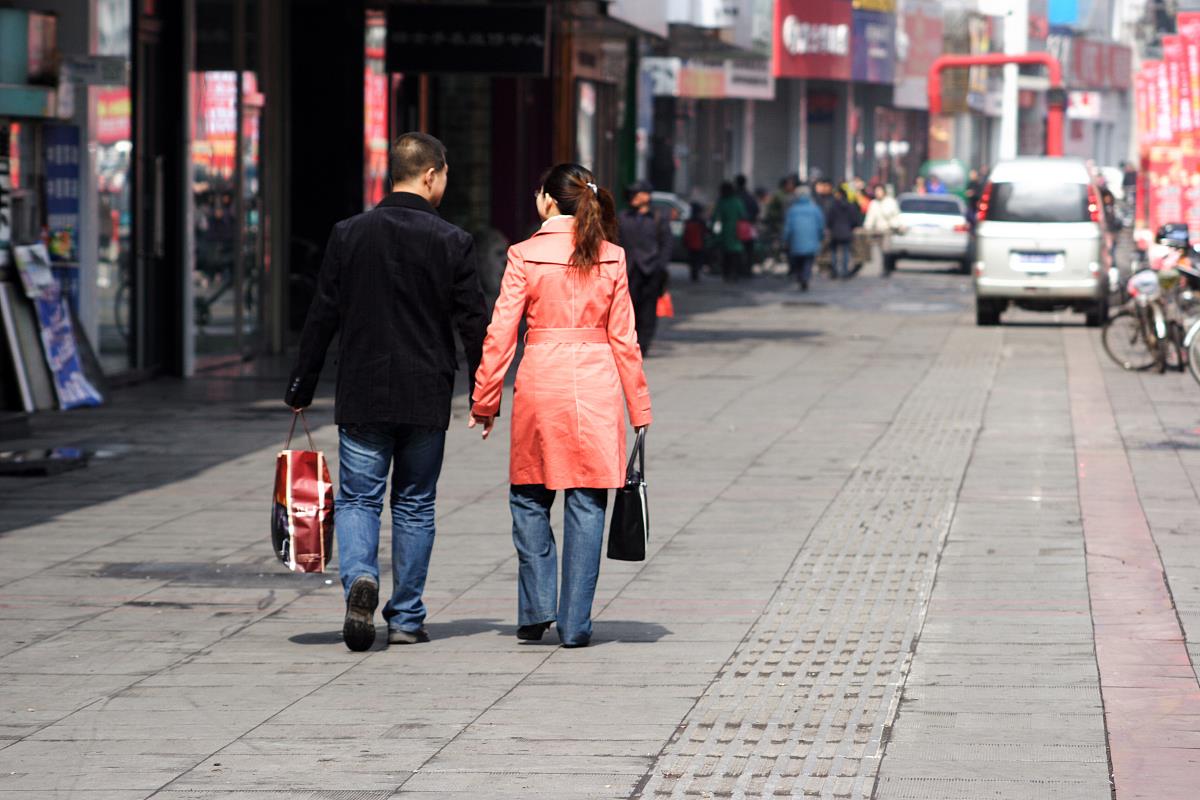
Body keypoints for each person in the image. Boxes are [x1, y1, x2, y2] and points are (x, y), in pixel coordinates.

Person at [284, 132, 488, 651]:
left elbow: (322, 314)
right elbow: (473, 324)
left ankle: (359, 581)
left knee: (358, 499)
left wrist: (301, 384)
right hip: (425, 395)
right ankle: (406, 617)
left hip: (364, 390)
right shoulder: (453, 242)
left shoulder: (349, 234)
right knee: (416, 505)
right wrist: (484, 391)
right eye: (446, 175)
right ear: (430, 174)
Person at [469, 163, 652, 649]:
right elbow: (626, 340)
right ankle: (574, 624)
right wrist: (640, 410)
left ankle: (535, 609)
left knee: (529, 495)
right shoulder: (610, 256)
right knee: (588, 502)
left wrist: (486, 398)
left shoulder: (524, 254)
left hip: (541, 384)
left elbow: (501, 333)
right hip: (597, 386)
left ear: (548, 201)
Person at [617, 181, 672, 355]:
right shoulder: (622, 217)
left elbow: (666, 244)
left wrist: (660, 266)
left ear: (647, 196)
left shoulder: (657, 218)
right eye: (631, 194)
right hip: (628, 270)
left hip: (651, 270)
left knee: (648, 309)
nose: (633, 198)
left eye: (637, 194)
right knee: (629, 309)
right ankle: (630, 342)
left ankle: (644, 344)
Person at [782, 185, 825, 291]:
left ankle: (800, 277)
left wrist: (785, 239)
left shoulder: (792, 210)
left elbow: (787, 227)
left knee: (798, 261)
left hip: (796, 241)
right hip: (811, 240)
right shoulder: (815, 209)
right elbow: (821, 225)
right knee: (808, 261)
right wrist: (820, 237)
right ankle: (805, 277)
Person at [713, 181, 748, 282]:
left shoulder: (721, 203)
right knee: (735, 256)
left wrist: (716, 233)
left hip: (725, 234)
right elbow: (743, 216)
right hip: (737, 233)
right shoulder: (737, 202)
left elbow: (717, 220)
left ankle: (726, 274)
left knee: (726, 256)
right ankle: (735, 274)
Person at [863, 184, 900, 274]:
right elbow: (870, 216)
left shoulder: (891, 202)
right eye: (876, 191)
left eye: (879, 191)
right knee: (878, 250)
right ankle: (882, 267)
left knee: (886, 250)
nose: (878, 193)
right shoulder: (874, 203)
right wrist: (867, 227)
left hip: (887, 229)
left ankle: (887, 268)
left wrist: (895, 225)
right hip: (877, 230)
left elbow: (896, 216)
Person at [827, 187, 861, 279]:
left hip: (835, 232)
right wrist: (851, 227)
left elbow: (829, 220)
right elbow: (855, 220)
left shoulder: (833, 206)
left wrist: (830, 228)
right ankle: (844, 271)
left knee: (834, 252)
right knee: (845, 252)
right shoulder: (850, 206)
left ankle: (834, 271)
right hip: (847, 232)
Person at [735, 174, 760, 275]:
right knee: (749, 249)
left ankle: (737, 269)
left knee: (737, 250)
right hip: (749, 227)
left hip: (735, 227)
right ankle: (747, 270)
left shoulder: (734, 196)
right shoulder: (749, 196)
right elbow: (756, 210)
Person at [683, 202, 708, 282]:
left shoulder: (689, 221)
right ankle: (695, 275)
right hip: (698, 244)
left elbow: (685, 233)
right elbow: (705, 232)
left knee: (692, 261)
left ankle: (694, 275)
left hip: (691, 245)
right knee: (697, 261)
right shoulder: (701, 221)